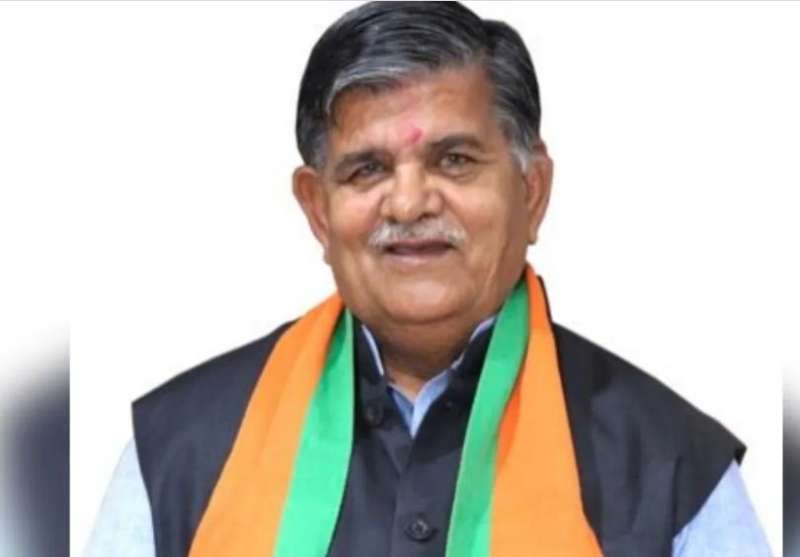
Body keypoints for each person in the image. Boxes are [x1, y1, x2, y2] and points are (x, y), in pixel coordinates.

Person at [84, 2, 773, 556]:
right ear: (318, 210)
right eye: (368, 169)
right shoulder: (178, 451)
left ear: (532, 191)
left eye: (454, 160)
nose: (410, 203)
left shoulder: (672, 467)